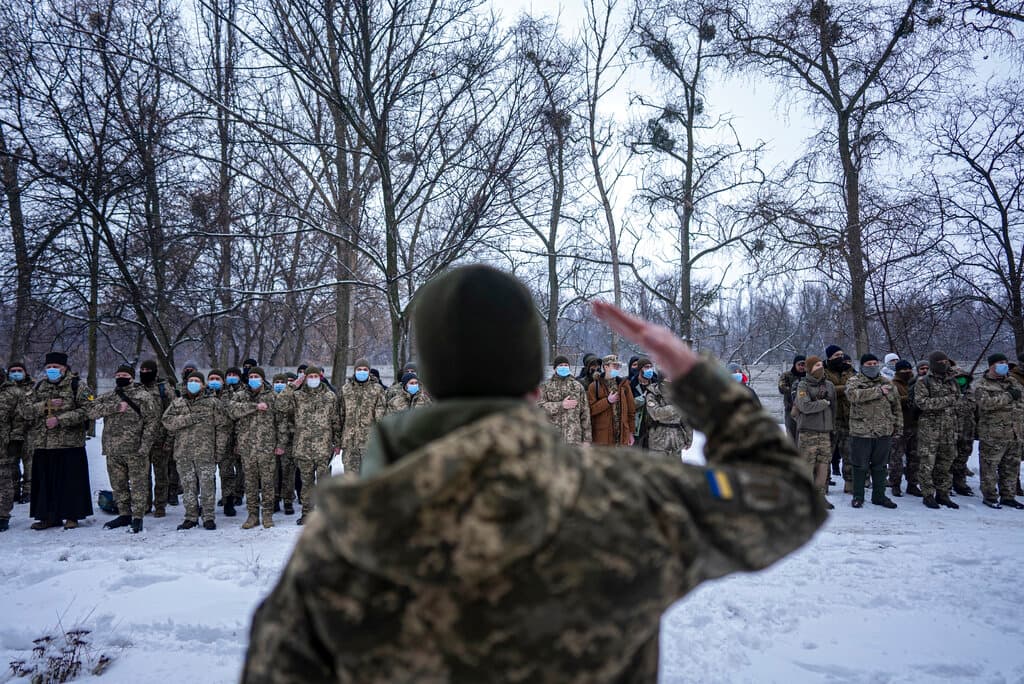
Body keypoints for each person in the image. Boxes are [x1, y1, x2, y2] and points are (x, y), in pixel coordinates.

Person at [242, 265, 826, 683]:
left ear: (432, 381)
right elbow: (792, 496)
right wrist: (698, 379)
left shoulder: (341, 537)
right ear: (536, 384)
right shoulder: (632, 497)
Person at [20, 353, 95, 530]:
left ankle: (72, 516)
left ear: (65, 367)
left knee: (70, 482)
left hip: (69, 443)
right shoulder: (39, 386)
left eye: (56, 367)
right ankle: (47, 516)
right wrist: (47, 405)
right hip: (43, 443)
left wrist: (61, 419)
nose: (52, 370)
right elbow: (25, 410)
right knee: (46, 483)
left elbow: (88, 410)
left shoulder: (78, 385)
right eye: (48, 367)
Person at [89, 364, 161, 533]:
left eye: (124, 374)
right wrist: (114, 408)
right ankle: (124, 514)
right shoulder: (109, 397)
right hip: (113, 449)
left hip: (135, 450)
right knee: (118, 484)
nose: (121, 377)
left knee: (138, 485)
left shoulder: (143, 396)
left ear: (131, 377)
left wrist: (145, 446)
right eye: (118, 374)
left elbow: (152, 423)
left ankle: (137, 517)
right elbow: (90, 411)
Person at [162, 371, 229, 530]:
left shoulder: (212, 403)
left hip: (205, 453)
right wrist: (188, 419)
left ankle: (208, 517)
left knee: (207, 487)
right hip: (183, 453)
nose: (193, 383)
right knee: (188, 488)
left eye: (197, 381)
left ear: (203, 385)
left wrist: (218, 451)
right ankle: (191, 517)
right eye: (190, 381)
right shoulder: (178, 403)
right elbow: (167, 421)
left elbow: (223, 427)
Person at [273, 365, 339, 525]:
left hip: (324, 447)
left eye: (316, 376)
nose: (313, 379)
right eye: (310, 376)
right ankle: (306, 513)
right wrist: (294, 385)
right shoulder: (297, 396)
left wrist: (337, 442)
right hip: (303, 448)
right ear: (305, 378)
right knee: (306, 483)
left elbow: (336, 421)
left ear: (321, 377)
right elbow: (279, 405)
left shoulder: (330, 396)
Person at [845, 354, 901, 509]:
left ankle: (879, 496)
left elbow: (896, 407)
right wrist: (878, 391)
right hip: (861, 432)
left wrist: (898, 426)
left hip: (883, 432)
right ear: (862, 366)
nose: (872, 366)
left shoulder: (887, 382)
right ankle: (858, 496)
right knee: (860, 465)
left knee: (880, 466)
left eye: (875, 363)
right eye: (869, 363)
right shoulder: (854, 381)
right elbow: (852, 395)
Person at [227, 367, 279, 529]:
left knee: (268, 483)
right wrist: (254, 406)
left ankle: (268, 515)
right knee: (250, 483)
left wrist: (280, 443)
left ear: (262, 379)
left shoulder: (272, 396)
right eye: (251, 376)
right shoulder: (240, 395)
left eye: (257, 376)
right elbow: (232, 411)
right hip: (247, 447)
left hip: (267, 447)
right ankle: (252, 515)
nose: (254, 378)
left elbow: (281, 421)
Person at [974, 353, 1024, 509]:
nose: (1004, 365)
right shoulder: (982, 384)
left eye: (1006, 362)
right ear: (992, 365)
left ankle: (1008, 496)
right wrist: (1008, 396)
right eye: (1001, 363)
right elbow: (986, 404)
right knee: (989, 466)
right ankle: (990, 496)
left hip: (1014, 432)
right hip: (993, 433)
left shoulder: (1013, 383)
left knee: (1011, 466)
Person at [913, 351, 961, 510]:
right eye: (940, 361)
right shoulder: (923, 381)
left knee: (946, 463)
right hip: (930, 430)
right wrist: (947, 400)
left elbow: (958, 400)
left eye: (945, 361)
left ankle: (943, 494)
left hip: (949, 429)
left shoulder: (952, 381)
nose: (944, 363)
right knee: (927, 463)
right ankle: (928, 494)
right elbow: (922, 403)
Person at [794, 356, 836, 510]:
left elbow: (834, 408)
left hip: (825, 432)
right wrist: (823, 403)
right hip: (808, 432)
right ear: (810, 368)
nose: (820, 367)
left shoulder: (829, 385)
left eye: (821, 364)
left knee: (823, 466)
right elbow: (805, 407)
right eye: (816, 365)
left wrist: (833, 426)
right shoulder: (803, 386)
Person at [137, 359, 177, 516]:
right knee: (142, 475)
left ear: (154, 372)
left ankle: (160, 505)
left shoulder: (164, 389)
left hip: (160, 440)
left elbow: (173, 414)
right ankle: (146, 503)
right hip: (141, 440)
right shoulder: (137, 389)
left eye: (148, 370)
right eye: (142, 370)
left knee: (161, 475)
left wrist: (169, 440)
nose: (145, 373)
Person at [634, 357, 693, 457]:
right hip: (658, 440)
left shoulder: (680, 394)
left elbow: (686, 419)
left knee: (675, 471)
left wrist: (689, 438)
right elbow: (656, 413)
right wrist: (676, 407)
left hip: (677, 439)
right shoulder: (653, 392)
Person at [337, 359, 387, 477]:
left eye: (365, 370)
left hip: (369, 442)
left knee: (370, 476)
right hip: (350, 443)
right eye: (359, 369)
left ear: (369, 371)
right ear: (354, 371)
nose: (362, 372)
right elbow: (340, 416)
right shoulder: (346, 389)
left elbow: (381, 416)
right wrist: (338, 441)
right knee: (350, 477)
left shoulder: (377, 389)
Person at [537, 356, 591, 445]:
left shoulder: (577, 386)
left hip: (574, 439)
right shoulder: (545, 386)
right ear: (555, 368)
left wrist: (587, 439)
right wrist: (561, 405)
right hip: (552, 439)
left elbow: (585, 413)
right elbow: (538, 408)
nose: (564, 367)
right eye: (561, 365)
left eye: (566, 365)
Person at [588, 354, 636, 446]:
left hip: (622, 435)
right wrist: (607, 401)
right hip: (603, 437)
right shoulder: (594, 386)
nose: (617, 368)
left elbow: (631, 411)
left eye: (618, 366)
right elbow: (590, 410)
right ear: (605, 366)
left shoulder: (623, 385)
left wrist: (630, 433)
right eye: (614, 366)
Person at [2, 362, 32, 505]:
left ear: (25, 372)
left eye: (19, 370)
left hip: (30, 432)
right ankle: (14, 490)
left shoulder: (34, 387)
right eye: (13, 370)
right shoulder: (5, 389)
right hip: (11, 433)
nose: (16, 373)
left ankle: (28, 491)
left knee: (29, 463)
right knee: (12, 463)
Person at [824, 345, 854, 490]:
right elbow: (825, 390)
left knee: (849, 453)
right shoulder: (823, 372)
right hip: (830, 418)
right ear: (829, 357)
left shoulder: (849, 371)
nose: (840, 358)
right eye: (836, 355)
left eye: (841, 354)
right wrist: (846, 388)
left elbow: (857, 387)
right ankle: (824, 482)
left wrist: (843, 389)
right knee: (826, 453)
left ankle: (850, 483)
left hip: (848, 418)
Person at [888, 360, 920, 497]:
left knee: (915, 458)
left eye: (909, 369)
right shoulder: (892, 384)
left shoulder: (917, 383)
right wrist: (909, 398)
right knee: (896, 459)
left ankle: (912, 484)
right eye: (903, 370)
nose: (907, 372)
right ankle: (895, 484)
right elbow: (892, 400)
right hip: (899, 427)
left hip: (916, 425)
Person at [951, 367, 976, 496]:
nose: (961, 380)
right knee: (948, 458)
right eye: (958, 378)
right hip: (951, 431)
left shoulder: (971, 392)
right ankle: (946, 483)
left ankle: (960, 483)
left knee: (962, 458)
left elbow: (976, 411)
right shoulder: (948, 391)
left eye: (963, 378)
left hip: (967, 431)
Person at [778, 355, 806, 444]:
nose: (802, 367)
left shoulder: (808, 377)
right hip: (790, 410)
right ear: (795, 365)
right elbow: (781, 388)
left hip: (805, 411)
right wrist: (795, 389)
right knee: (791, 436)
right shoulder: (787, 375)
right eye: (800, 364)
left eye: (804, 365)